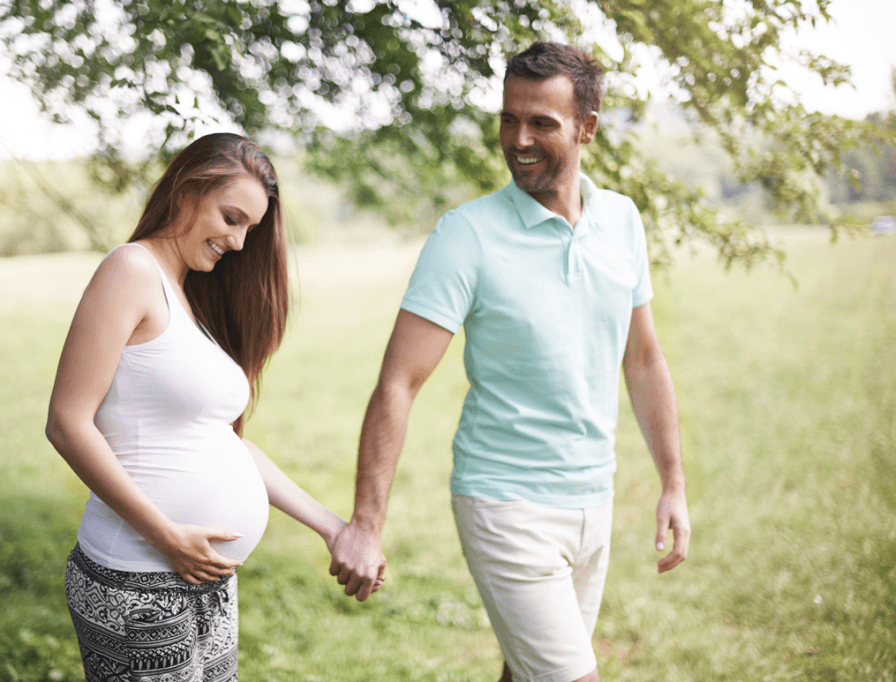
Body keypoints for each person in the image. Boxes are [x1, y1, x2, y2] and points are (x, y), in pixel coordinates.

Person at [328, 42, 691, 682]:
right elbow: (398, 382)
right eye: (508, 119)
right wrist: (365, 522)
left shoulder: (622, 222)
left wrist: (673, 482)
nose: (518, 139)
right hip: (505, 503)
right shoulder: (466, 236)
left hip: (592, 497)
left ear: (587, 128)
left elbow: (643, 358)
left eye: (541, 123)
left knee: (526, 672)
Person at [46, 133, 375, 682]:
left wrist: (331, 526)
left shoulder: (187, 294)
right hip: (137, 576)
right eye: (231, 217)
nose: (240, 242)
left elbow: (221, 441)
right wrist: (166, 535)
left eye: (249, 227)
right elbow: (67, 422)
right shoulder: (131, 270)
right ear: (186, 191)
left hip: (201, 576)